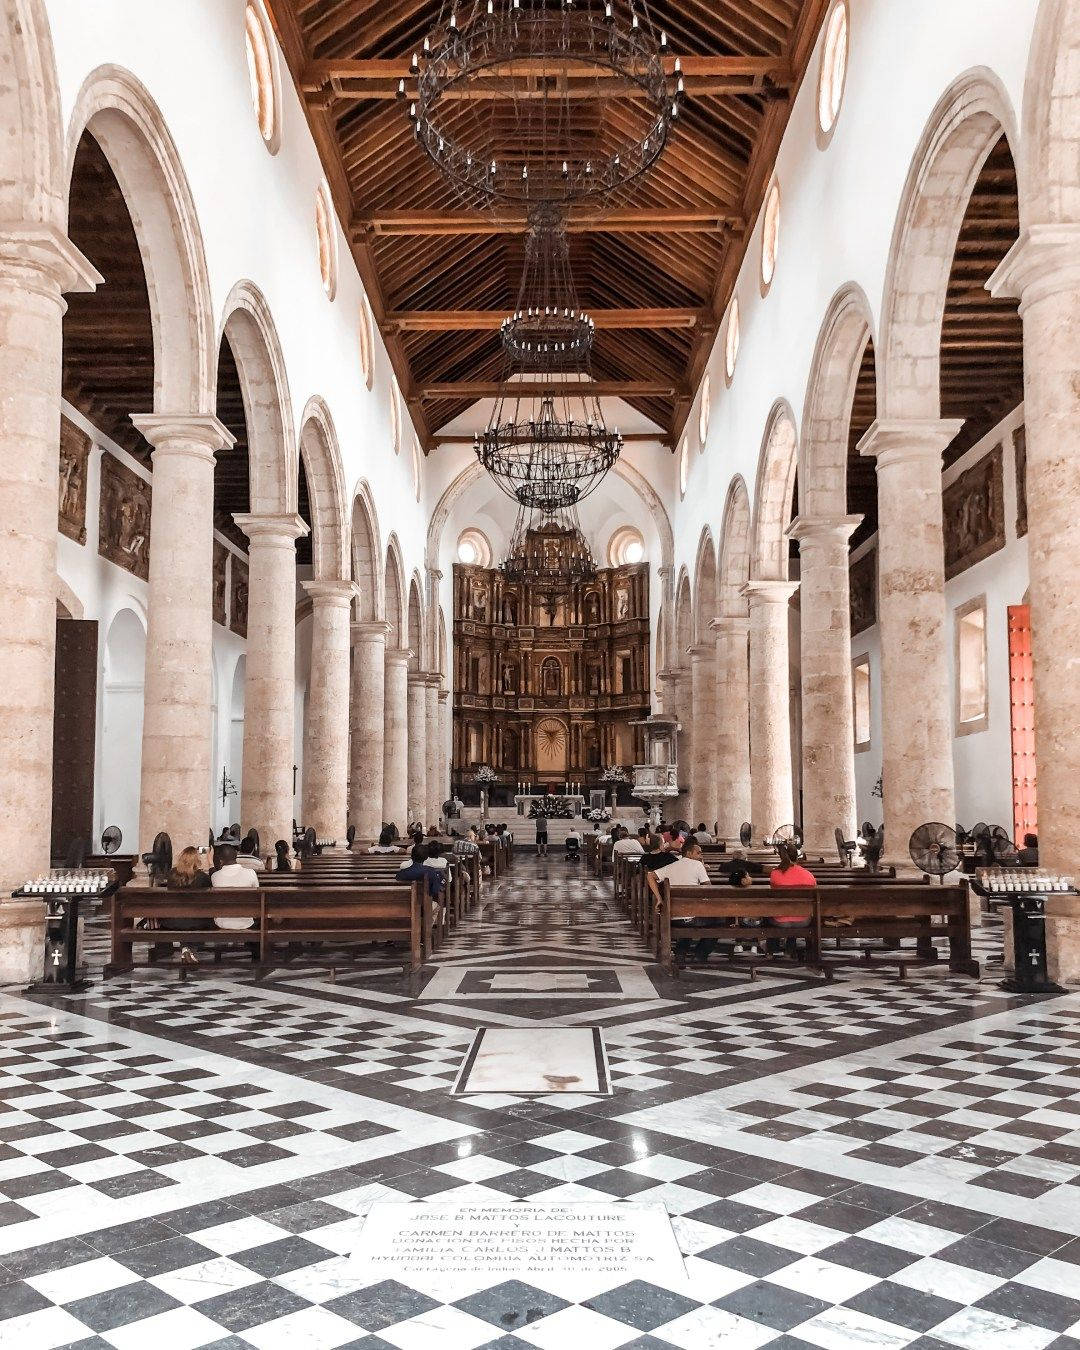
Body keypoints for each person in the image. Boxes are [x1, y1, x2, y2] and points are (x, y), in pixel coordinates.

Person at [651, 838, 712, 962]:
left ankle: (681, 952)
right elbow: (708, 888)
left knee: (689, 916)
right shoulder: (698, 865)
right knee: (719, 922)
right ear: (689, 853)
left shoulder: (672, 865)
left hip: (673, 917)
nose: (701, 855)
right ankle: (700, 954)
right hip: (692, 917)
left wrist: (659, 898)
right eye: (698, 853)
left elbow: (649, 875)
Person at [210, 842, 259, 932]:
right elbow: (257, 896)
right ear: (236, 856)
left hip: (222, 922)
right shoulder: (251, 873)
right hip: (246, 921)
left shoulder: (215, 876)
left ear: (220, 860)